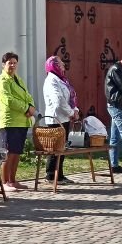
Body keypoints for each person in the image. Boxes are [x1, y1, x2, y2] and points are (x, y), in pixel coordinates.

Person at [0, 52, 36, 189]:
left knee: (17, 152)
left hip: (22, 121)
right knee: (7, 152)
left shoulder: (17, 79)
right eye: (9, 63)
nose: (12, 65)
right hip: (9, 121)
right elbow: (8, 100)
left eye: (14, 63)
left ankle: (13, 180)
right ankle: (5, 182)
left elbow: (27, 95)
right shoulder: (2, 81)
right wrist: (26, 108)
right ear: (3, 65)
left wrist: (31, 106)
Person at [41, 56, 78, 185]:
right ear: (54, 66)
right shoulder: (51, 80)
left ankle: (59, 175)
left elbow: (70, 96)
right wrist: (71, 112)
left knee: (62, 149)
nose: (63, 66)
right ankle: (51, 175)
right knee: (55, 149)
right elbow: (58, 101)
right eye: (61, 64)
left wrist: (75, 110)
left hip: (64, 118)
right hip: (55, 119)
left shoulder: (62, 79)